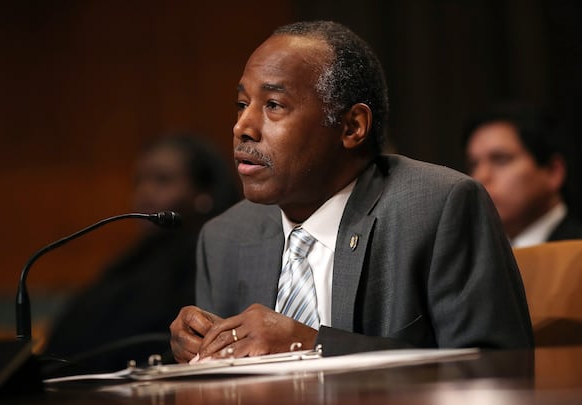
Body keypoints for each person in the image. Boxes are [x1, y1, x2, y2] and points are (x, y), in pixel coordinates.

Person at [169, 21, 533, 362]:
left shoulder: (439, 208)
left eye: (274, 105)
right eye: (242, 104)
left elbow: (496, 370)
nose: (242, 127)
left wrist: (314, 347)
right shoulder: (224, 239)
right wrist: (202, 353)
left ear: (351, 126)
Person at [43, 133, 240, 372]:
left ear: (203, 194)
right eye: (139, 181)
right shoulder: (133, 259)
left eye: (162, 180)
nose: (145, 192)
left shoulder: (213, 255)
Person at [463, 103, 582, 247]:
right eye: (473, 165)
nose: (479, 177)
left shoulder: (576, 251)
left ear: (553, 172)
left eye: (501, 159)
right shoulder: (474, 257)